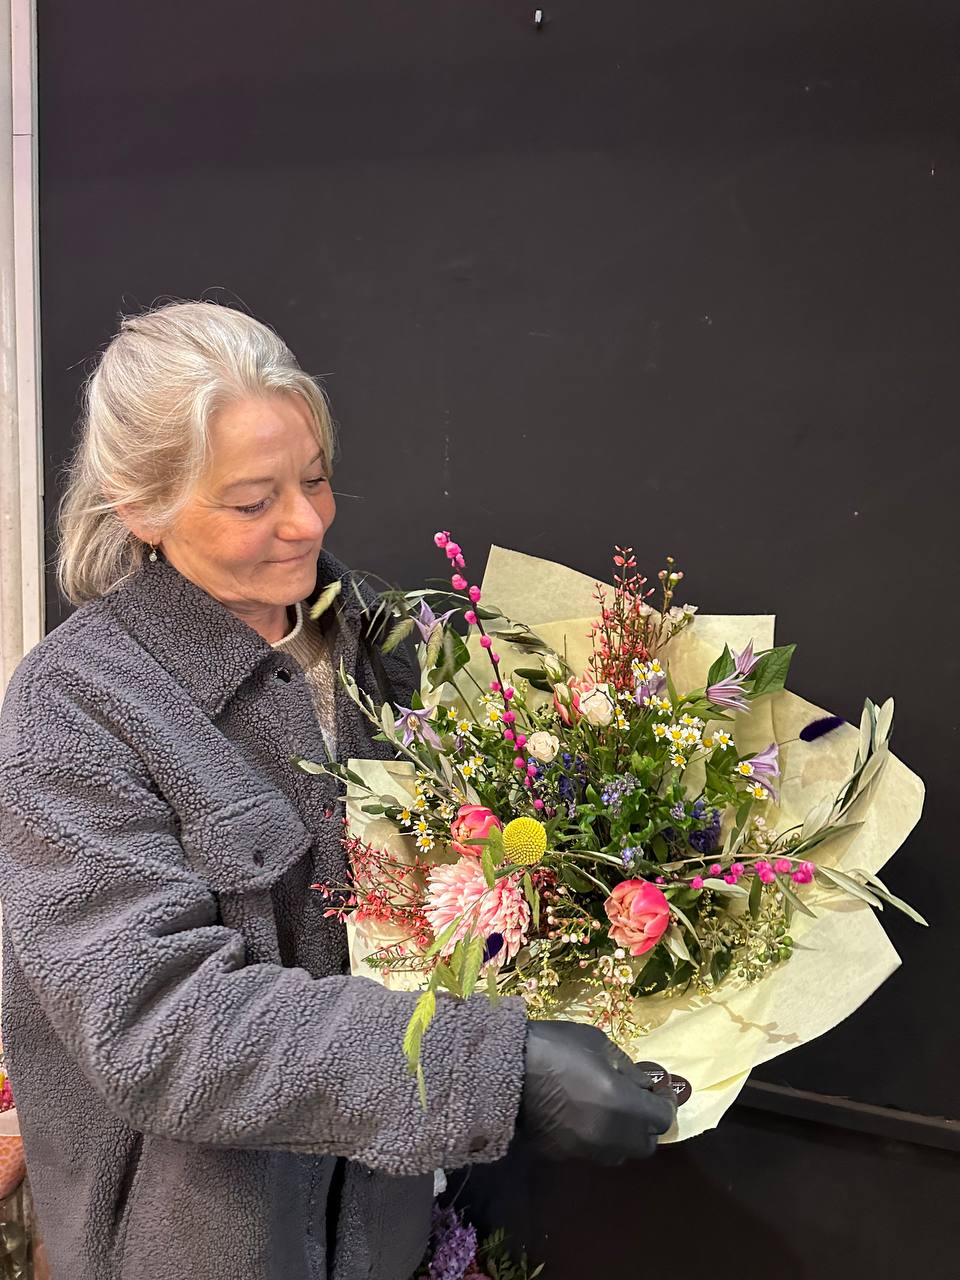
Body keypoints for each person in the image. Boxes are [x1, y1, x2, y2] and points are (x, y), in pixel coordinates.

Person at [0, 301, 675, 1280]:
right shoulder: (78, 704)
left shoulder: (388, 642)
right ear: (139, 506)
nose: (308, 521)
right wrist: (497, 1066)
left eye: (314, 478)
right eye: (252, 501)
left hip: (382, 1241)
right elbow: (159, 1022)